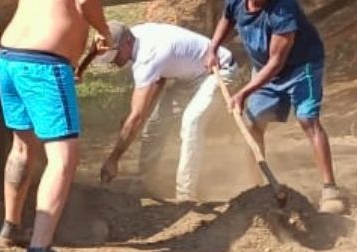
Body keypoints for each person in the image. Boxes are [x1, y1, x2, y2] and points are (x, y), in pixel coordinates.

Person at [0, 0, 113, 252]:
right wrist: (104, 30)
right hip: (43, 64)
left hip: (8, 56)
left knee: (22, 147)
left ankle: (10, 228)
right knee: (64, 157)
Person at [204, 0, 346, 214]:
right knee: (252, 123)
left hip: (301, 66)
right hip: (265, 69)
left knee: (307, 119)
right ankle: (258, 188)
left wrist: (243, 92)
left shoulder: (283, 10)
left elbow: (277, 62)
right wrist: (212, 47)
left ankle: (330, 189)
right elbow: (227, 19)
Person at [78, 18, 237, 203]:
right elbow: (158, 80)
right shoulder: (135, 34)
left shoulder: (148, 57)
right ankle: (146, 181)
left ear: (127, 42)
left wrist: (114, 159)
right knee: (155, 124)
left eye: (115, 55)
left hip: (217, 70)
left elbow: (137, 116)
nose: (113, 61)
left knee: (191, 123)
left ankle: (186, 195)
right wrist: (81, 68)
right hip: (189, 77)